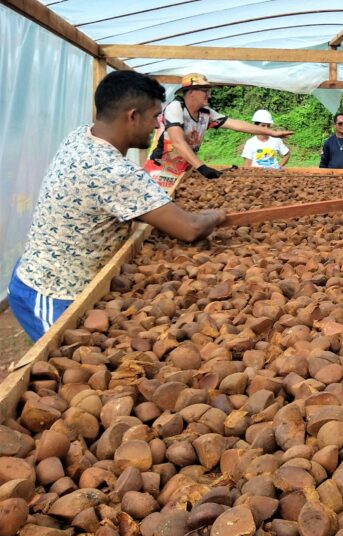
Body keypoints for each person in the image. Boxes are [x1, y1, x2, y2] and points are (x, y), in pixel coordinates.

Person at [7, 71, 227, 342]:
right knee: (62, 355)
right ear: (132, 116)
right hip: (52, 292)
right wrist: (217, 215)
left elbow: (116, 200)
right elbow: (190, 229)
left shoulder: (81, 136)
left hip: (43, 271)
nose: (157, 125)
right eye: (154, 117)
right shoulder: (115, 171)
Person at [143, 73, 293, 187]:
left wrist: (272, 133)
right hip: (160, 170)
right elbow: (177, 141)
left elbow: (236, 124)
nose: (209, 94)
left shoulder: (206, 113)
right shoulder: (176, 107)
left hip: (184, 170)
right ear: (191, 92)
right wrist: (202, 167)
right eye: (205, 90)